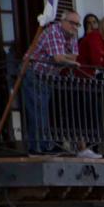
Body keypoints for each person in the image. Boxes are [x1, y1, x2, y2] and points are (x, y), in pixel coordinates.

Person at [26, 9, 81, 156]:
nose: (75, 27)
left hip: (47, 76)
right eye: (72, 23)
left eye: (77, 24)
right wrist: (65, 58)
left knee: (43, 111)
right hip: (33, 73)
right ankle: (37, 148)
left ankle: (45, 146)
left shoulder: (72, 36)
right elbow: (58, 58)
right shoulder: (53, 31)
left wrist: (65, 57)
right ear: (62, 21)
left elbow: (74, 57)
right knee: (37, 111)